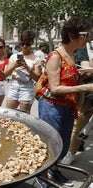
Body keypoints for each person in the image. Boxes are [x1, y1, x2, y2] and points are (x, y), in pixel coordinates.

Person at [35, 17, 92, 187]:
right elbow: (55, 88)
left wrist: (80, 76)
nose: (87, 38)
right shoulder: (55, 56)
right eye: (85, 34)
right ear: (71, 34)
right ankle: (42, 178)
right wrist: (86, 88)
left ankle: (55, 171)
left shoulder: (72, 55)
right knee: (51, 145)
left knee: (63, 144)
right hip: (52, 107)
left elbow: (67, 78)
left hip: (66, 107)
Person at [61, 39, 93, 165]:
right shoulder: (87, 47)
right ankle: (71, 152)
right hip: (90, 94)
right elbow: (86, 68)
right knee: (78, 125)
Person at [4, 30, 42, 113]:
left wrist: (28, 68)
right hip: (14, 85)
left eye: (27, 44)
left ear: (32, 43)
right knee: (9, 114)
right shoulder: (14, 56)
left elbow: (38, 78)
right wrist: (14, 65)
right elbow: (6, 74)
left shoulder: (36, 59)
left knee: (24, 117)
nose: (24, 46)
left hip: (27, 87)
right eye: (22, 44)